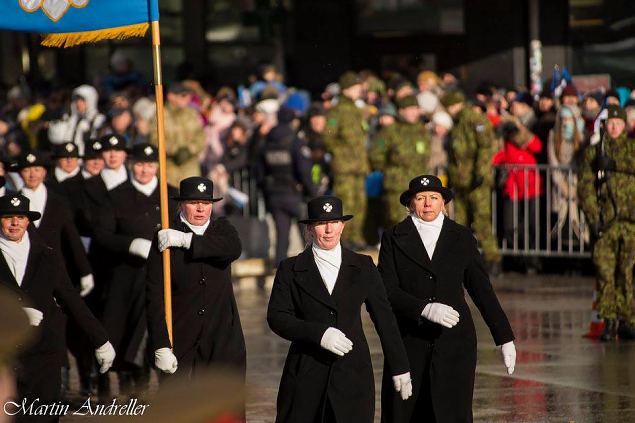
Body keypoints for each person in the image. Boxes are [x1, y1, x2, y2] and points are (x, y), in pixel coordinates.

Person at [378, 175, 516, 422]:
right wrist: (423, 309)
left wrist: (504, 336)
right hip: (410, 342)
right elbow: (387, 290)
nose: (427, 204)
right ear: (410, 204)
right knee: (406, 414)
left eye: (433, 198)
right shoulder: (393, 237)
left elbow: (481, 289)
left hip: (455, 345)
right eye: (420, 198)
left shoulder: (461, 236)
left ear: (444, 203)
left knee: (452, 414)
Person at [267, 195, 412, 423]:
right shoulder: (290, 269)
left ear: (342, 226)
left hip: (352, 376)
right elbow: (277, 317)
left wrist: (401, 365)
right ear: (310, 228)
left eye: (334, 222)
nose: (328, 230)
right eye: (321, 223)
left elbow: (385, 319)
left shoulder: (363, 267)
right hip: (306, 374)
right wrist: (319, 334)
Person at [0, 194, 115, 422]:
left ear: (28, 221)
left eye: (20, 217)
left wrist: (101, 340)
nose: (15, 223)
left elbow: (70, 298)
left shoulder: (47, 254)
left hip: (45, 354)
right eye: (8, 217)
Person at [95, 143, 178, 396]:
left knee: (164, 333)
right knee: (130, 337)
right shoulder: (117, 195)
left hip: (166, 278)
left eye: (150, 165)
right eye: (140, 164)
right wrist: (131, 244)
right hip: (128, 278)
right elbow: (102, 235)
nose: (144, 170)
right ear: (131, 165)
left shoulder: (170, 195)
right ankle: (134, 391)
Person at [145, 177, 246, 386]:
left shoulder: (222, 228)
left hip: (222, 338)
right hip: (180, 335)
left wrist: (186, 241)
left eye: (206, 203)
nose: (200, 209)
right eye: (193, 203)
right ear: (181, 204)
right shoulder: (165, 235)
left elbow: (233, 249)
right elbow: (154, 294)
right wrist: (161, 344)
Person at [578, 105, 635, 341]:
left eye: (618, 123)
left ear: (625, 125)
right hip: (606, 222)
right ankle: (609, 319)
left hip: (630, 221)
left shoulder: (631, 149)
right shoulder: (593, 153)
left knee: (627, 271)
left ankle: (627, 319)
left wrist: (615, 165)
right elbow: (585, 187)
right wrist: (593, 218)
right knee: (605, 270)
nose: (614, 127)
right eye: (610, 123)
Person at [444, 91, 501, 273]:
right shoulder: (457, 124)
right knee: (460, 221)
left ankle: (493, 259)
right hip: (461, 180)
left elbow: (486, 148)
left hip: (476, 181)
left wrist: (481, 172)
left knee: (481, 219)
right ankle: (462, 259)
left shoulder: (474, 120)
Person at [256, 106, 317, 265]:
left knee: (282, 236)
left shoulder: (267, 142)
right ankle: (311, 267)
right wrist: (313, 192)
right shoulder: (294, 141)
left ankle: (279, 271)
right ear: (292, 121)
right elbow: (303, 170)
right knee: (307, 234)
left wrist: (266, 190)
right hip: (293, 194)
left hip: (274, 194)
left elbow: (259, 170)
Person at [370, 94, 432, 228]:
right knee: (397, 220)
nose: (412, 112)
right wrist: (390, 171)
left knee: (420, 219)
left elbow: (427, 155)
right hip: (396, 183)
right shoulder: (390, 131)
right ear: (401, 111)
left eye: (415, 108)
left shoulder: (422, 131)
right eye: (409, 109)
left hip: (418, 183)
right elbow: (376, 155)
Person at [323, 71, 370, 249]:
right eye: (356, 87)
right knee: (346, 202)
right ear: (347, 89)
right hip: (344, 166)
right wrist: (340, 154)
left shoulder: (357, 110)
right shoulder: (337, 111)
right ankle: (344, 238)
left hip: (359, 165)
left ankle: (357, 236)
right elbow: (328, 137)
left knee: (360, 203)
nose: (359, 90)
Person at [150, 83, 205, 186]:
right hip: (169, 168)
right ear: (171, 96)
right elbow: (155, 139)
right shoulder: (160, 114)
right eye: (183, 96)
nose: (188, 99)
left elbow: (201, 136)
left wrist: (189, 150)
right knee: (171, 199)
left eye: (189, 96)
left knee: (190, 198)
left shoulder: (192, 114)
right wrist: (175, 151)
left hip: (190, 167)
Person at [48, 84, 106, 156]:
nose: (78, 103)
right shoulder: (70, 119)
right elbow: (56, 139)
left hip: (89, 158)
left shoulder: (99, 119)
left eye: (82, 100)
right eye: (76, 100)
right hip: (71, 158)